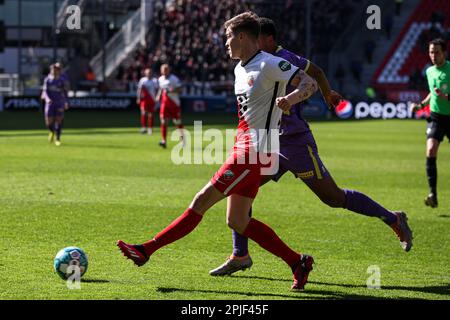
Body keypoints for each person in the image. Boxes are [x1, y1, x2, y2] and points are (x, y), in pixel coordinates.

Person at [117, 11, 319, 291]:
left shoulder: (271, 63)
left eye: (228, 37)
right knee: (236, 220)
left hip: (255, 150)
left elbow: (311, 83)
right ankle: (298, 262)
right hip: (245, 147)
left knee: (201, 200)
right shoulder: (239, 69)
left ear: (243, 37)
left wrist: (291, 98)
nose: (225, 43)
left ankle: (146, 249)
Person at [209, 17, 413, 277]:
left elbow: (315, 73)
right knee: (240, 188)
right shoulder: (250, 64)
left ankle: (393, 218)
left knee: (333, 198)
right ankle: (240, 254)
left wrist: (324, 94)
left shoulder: (283, 59)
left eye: (256, 39)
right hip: (269, 144)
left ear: (267, 40)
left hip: (295, 143)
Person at [410, 38, 450, 208]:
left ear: (444, 53)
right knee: (431, 149)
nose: (433, 56)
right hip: (436, 117)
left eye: (437, 52)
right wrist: (421, 105)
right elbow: (432, 93)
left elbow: (441, 94)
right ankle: (433, 194)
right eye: (431, 52)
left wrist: (447, 97)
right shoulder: (430, 71)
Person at [156, 64, 184, 148]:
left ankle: (183, 140)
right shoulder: (160, 79)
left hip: (174, 104)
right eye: (163, 70)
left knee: (177, 122)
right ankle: (164, 141)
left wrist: (173, 90)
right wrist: (158, 95)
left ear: (169, 70)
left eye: (166, 69)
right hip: (164, 103)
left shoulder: (174, 79)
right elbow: (161, 88)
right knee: (163, 121)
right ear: (161, 71)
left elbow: (180, 89)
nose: (165, 71)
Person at [41, 63, 69, 146]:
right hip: (50, 103)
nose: (55, 70)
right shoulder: (47, 80)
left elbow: (65, 92)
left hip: (59, 102)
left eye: (56, 69)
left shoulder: (62, 80)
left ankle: (58, 138)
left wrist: (66, 101)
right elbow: (45, 92)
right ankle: (52, 131)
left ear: (59, 71)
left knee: (59, 120)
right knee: (48, 123)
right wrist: (47, 99)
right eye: (53, 69)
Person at [137, 68, 159, 135]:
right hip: (144, 100)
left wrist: (157, 98)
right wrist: (138, 98)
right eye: (147, 72)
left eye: (150, 72)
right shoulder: (142, 80)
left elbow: (157, 90)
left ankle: (150, 129)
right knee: (143, 112)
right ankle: (144, 128)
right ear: (145, 73)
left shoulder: (155, 81)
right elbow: (139, 89)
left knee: (151, 114)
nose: (149, 74)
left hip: (152, 99)